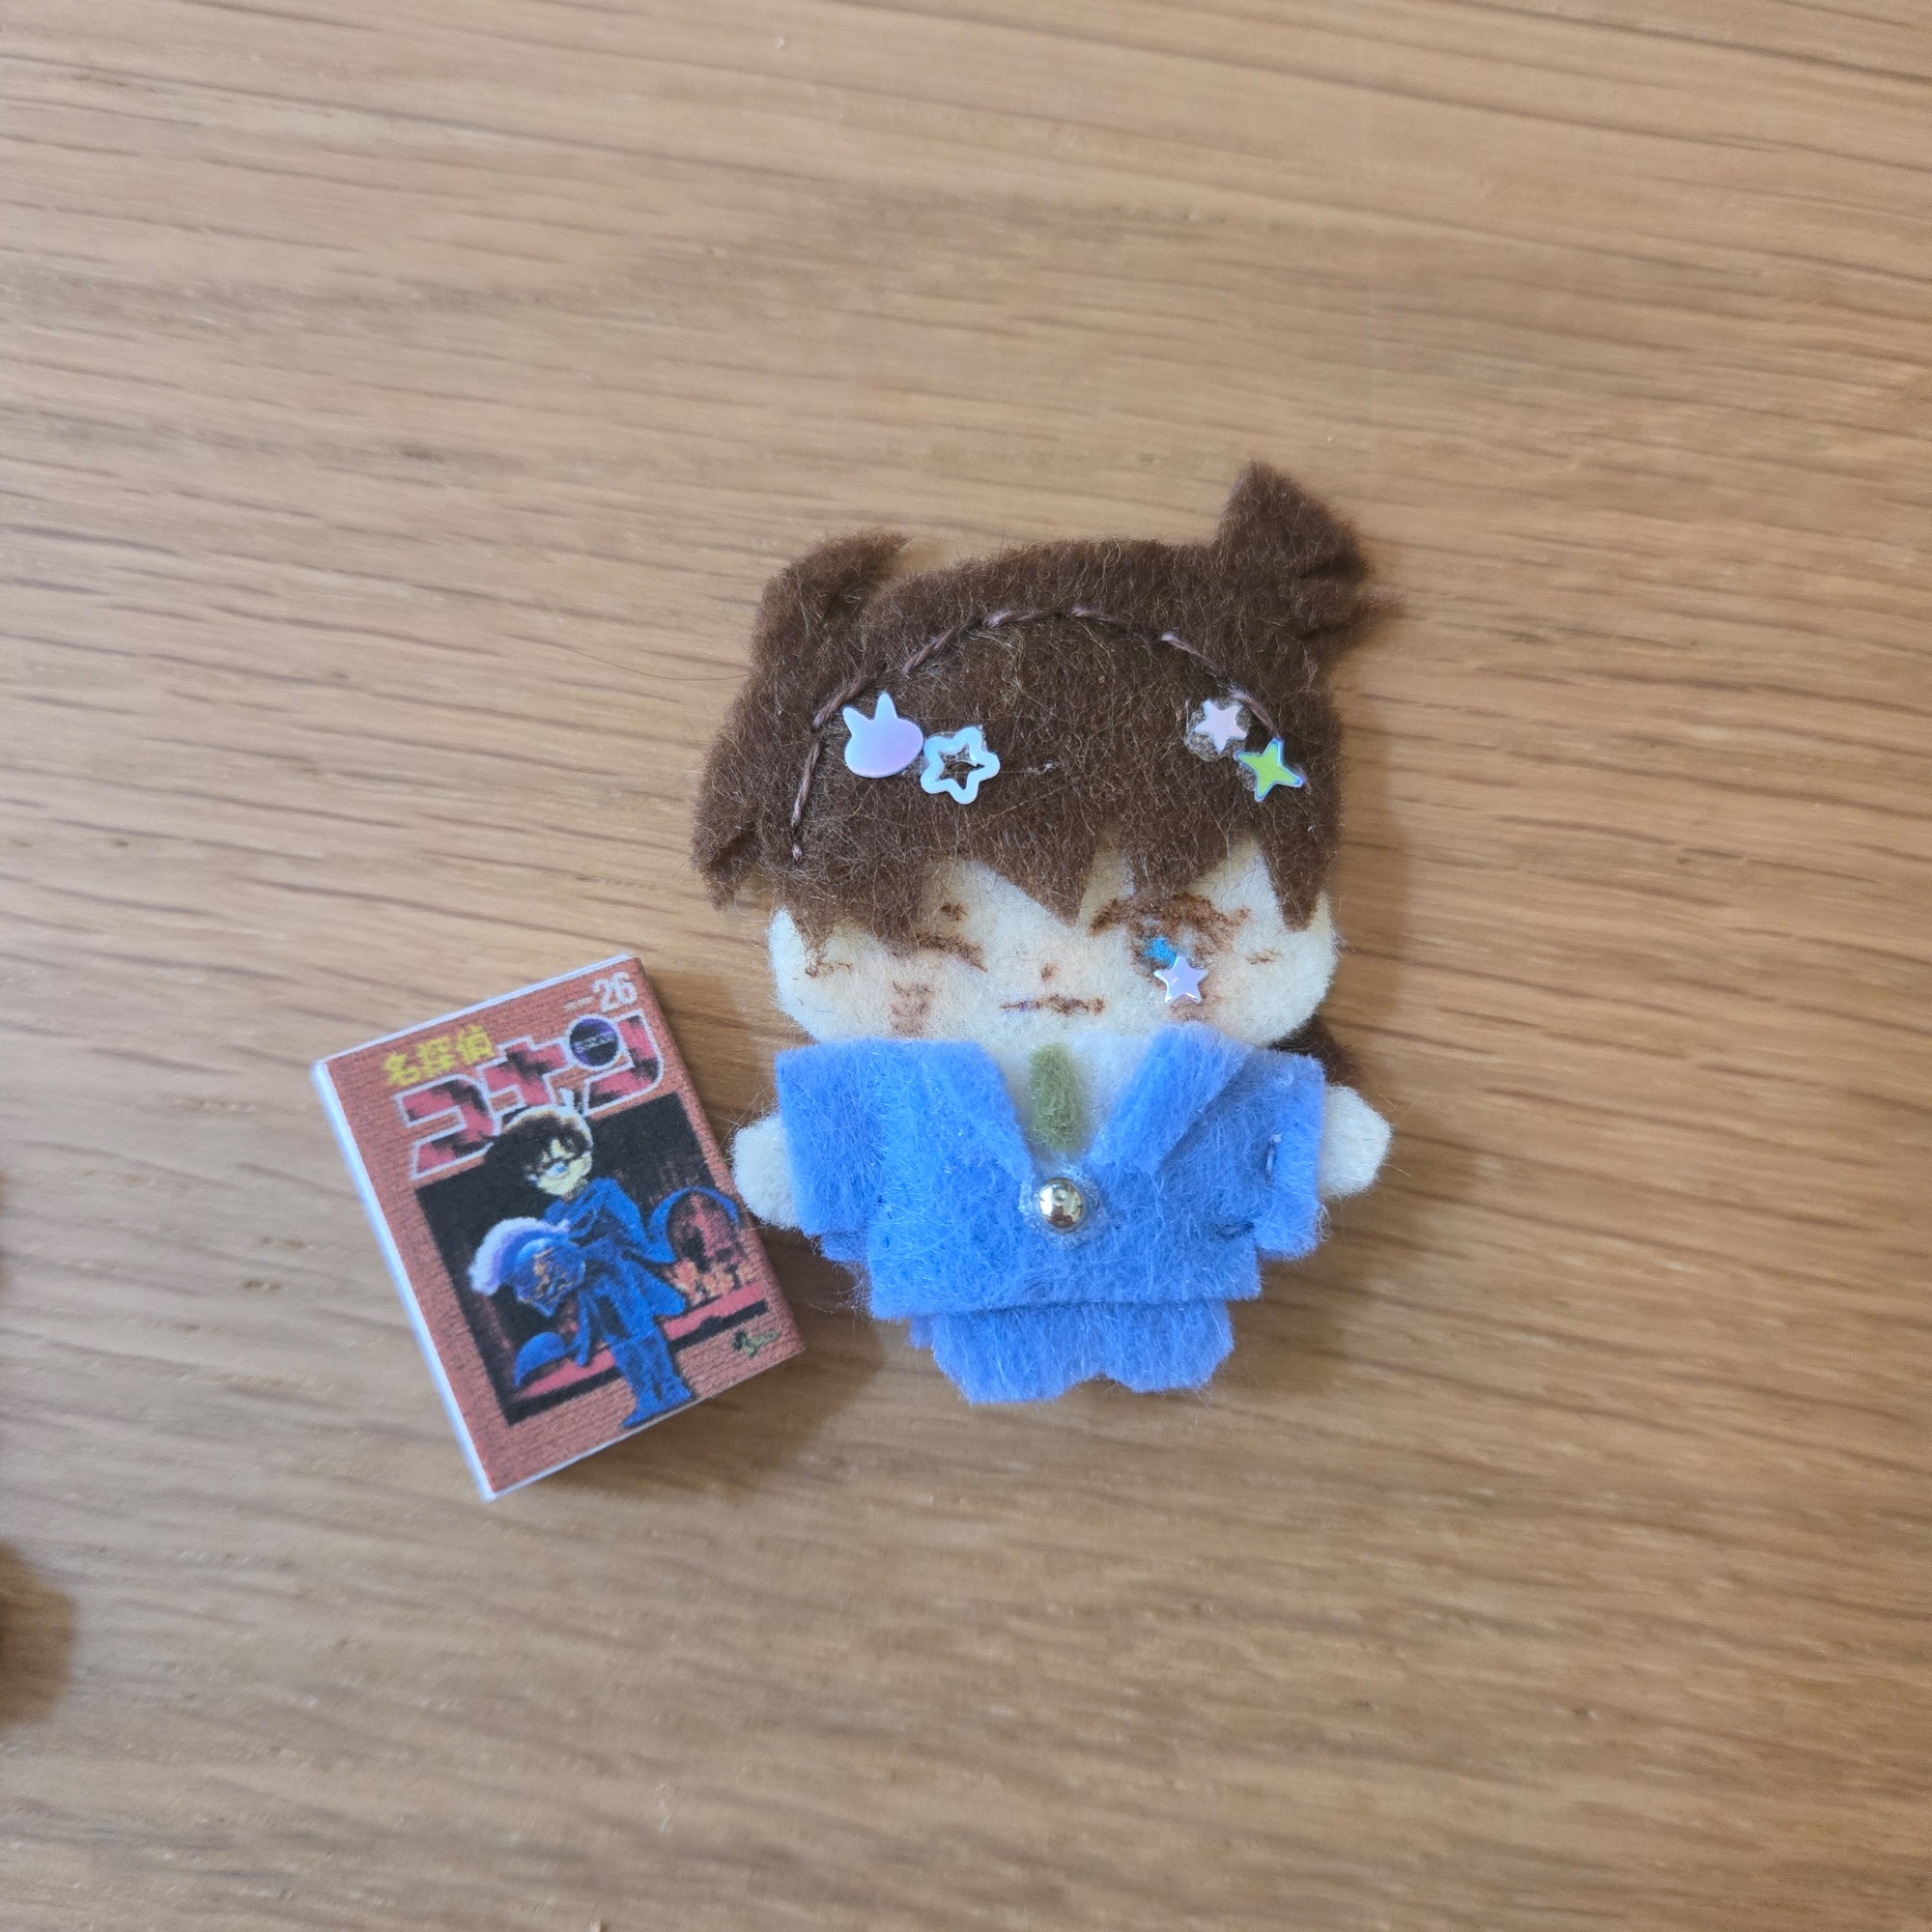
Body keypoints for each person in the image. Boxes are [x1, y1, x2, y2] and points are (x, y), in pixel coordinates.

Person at [693, 464, 1392, 1403]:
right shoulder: (900, 1086)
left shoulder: (1221, 1072)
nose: (1047, 971)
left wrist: (1312, 1136)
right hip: (971, 1297)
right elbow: (844, 1136)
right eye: (947, 943)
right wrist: (805, 1154)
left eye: (1150, 931)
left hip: (1170, 1294)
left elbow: (1276, 1127)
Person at [470, 1107, 695, 1428]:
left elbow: (629, 1232)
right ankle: (646, 1396)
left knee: (642, 1333)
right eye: (537, 1175)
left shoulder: (605, 1193)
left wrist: (587, 1253)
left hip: (621, 1280)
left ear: (584, 1159)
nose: (549, 1178)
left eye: (558, 1166)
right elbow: (553, 1253)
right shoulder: (552, 1215)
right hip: (591, 1292)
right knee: (619, 1343)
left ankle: (671, 1387)